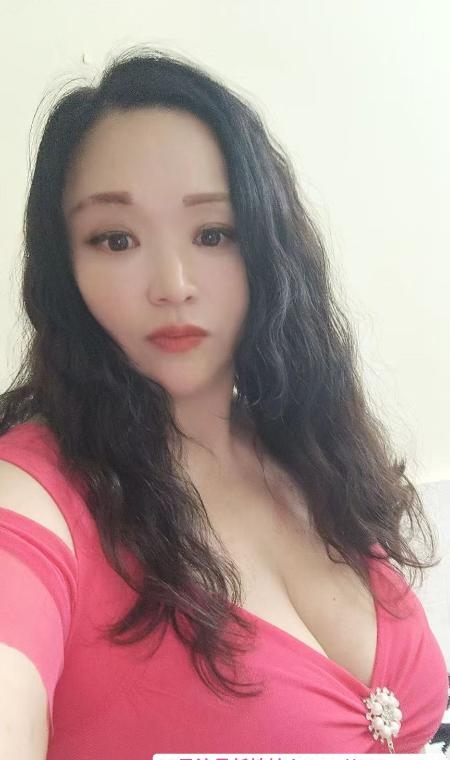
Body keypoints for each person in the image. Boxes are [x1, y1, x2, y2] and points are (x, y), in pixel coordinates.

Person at [0, 46, 447, 759]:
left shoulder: (309, 450)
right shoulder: (33, 493)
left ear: (268, 247)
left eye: (214, 234)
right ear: (65, 268)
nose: (173, 284)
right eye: (115, 239)